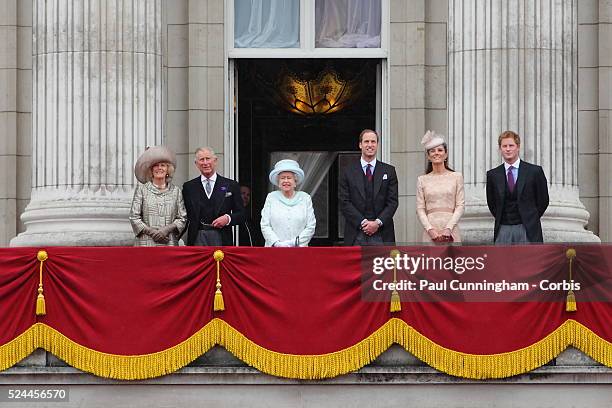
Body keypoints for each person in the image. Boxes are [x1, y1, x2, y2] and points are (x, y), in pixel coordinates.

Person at [486, 130, 549, 243]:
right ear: (500, 149)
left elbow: (543, 200)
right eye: (504, 146)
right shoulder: (493, 175)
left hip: (528, 228)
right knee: (502, 260)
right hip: (503, 228)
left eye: (511, 145)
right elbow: (492, 203)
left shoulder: (534, 171)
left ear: (518, 147)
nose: (508, 149)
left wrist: (531, 217)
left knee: (528, 260)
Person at [339, 129, 398, 245]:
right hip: (356, 233)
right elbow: (344, 202)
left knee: (383, 264)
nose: (370, 145)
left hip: (382, 233)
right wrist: (363, 222)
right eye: (366, 142)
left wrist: (377, 223)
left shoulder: (389, 171)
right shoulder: (348, 171)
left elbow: (393, 202)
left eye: (373, 142)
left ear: (377, 145)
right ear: (360, 145)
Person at [182, 147, 245, 246]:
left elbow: (242, 214)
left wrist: (228, 219)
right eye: (201, 160)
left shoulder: (231, 185)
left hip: (222, 237)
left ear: (215, 161)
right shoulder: (189, 187)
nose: (205, 163)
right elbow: (184, 215)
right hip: (197, 237)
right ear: (196, 164)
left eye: (208, 158)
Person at [129, 146, 187, 246]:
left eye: (163, 165)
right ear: (151, 170)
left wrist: (166, 230)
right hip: (146, 244)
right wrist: (153, 232)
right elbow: (134, 217)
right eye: (155, 165)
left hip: (169, 242)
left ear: (168, 170)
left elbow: (182, 218)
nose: (159, 168)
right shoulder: (141, 190)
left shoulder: (176, 191)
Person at [416, 131, 465, 243]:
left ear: (446, 154)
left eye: (440, 150)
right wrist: (430, 229)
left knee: (452, 260)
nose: (436, 153)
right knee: (431, 260)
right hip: (430, 229)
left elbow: (460, 205)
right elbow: (420, 209)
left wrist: (449, 228)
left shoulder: (456, 177)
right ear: (428, 156)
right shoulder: (422, 180)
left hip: (451, 228)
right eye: (432, 151)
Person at [260, 159, 316, 247]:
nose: (286, 181)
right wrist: (277, 243)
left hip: (299, 250)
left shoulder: (305, 198)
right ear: (278, 182)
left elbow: (311, 226)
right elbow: (265, 225)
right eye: (282, 178)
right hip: (275, 250)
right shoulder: (271, 197)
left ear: (295, 182)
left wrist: (294, 242)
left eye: (289, 178)